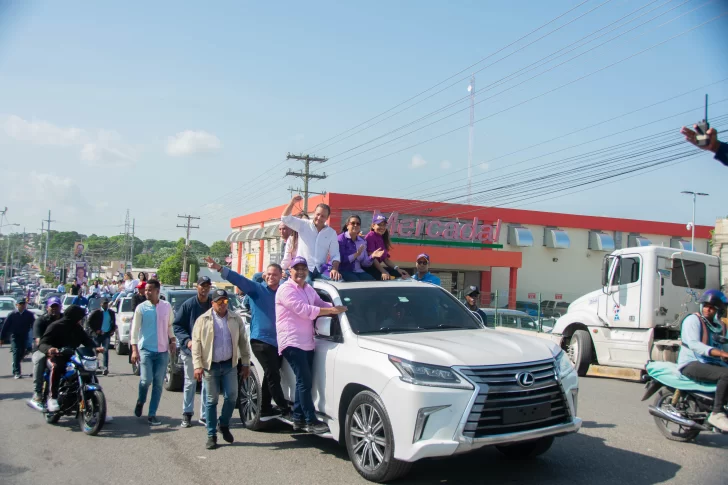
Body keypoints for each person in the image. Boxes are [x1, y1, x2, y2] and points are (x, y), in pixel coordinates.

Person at [206, 256, 290, 421]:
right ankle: (284, 407)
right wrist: (220, 268)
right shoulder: (257, 289)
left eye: (275, 274)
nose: (271, 277)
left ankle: (265, 408)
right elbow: (238, 279)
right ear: (264, 275)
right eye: (269, 274)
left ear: (281, 276)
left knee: (269, 374)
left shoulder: (284, 292)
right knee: (273, 373)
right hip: (261, 340)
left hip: (279, 342)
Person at [275, 256, 347, 434]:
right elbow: (304, 310)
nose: (300, 272)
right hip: (291, 341)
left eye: (303, 268)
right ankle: (310, 420)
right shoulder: (285, 290)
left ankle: (298, 418)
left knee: (303, 382)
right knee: (304, 381)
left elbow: (321, 304)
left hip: (307, 342)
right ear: (289, 271)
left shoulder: (308, 289)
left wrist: (342, 309)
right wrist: (330, 310)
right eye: (296, 268)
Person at [192, 289, 250, 449]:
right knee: (211, 401)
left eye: (225, 301)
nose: (222, 304)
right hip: (210, 366)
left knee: (232, 397)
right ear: (212, 303)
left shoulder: (235, 318)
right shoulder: (203, 320)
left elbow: (243, 342)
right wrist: (197, 365)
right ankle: (211, 435)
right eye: (219, 301)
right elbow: (196, 344)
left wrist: (245, 363)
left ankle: (223, 424)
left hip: (229, 364)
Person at [677, 289, 728, 432]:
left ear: (719, 311)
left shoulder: (721, 327)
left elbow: (726, 346)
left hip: (712, 363)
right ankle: (717, 413)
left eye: (712, 307)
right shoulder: (693, 320)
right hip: (692, 363)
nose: (708, 309)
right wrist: (720, 353)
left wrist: (724, 353)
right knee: (726, 374)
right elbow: (694, 345)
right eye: (706, 305)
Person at [37, 305, 103, 412]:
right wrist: (50, 349)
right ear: (74, 316)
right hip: (56, 357)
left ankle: (98, 409)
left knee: (88, 373)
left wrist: (96, 347)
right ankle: (52, 398)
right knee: (56, 367)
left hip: (72, 357)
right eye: (80, 317)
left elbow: (87, 340)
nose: (81, 320)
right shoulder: (55, 326)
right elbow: (42, 343)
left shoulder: (77, 328)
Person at [130, 279, 175, 426]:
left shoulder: (166, 307)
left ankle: (152, 414)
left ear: (157, 291)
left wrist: (172, 340)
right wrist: (134, 350)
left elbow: (170, 326)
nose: (147, 292)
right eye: (146, 290)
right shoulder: (141, 308)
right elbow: (135, 330)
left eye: (150, 290)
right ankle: (140, 400)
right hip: (146, 351)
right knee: (146, 380)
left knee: (158, 384)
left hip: (162, 351)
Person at [173, 275, 213, 428]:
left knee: (207, 384)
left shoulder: (212, 304)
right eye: (202, 285)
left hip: (208, 352)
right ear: (197, 286)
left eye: (207, 286)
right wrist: (187, 341)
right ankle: (187, 413)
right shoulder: (188, 305)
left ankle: (204, 415)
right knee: (190, 382)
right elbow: (177, 326)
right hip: (190, 351)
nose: (204, 289)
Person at [281, 195, 342, 281]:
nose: (319, 218)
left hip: (321, 270)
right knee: (306, 285)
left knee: (339, 281)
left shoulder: (331, 233)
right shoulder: (304, 224)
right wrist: (292, 202)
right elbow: (285, 219)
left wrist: (334, 269)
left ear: (327, 218)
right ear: (314, 213)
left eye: (323, 216)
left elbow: (335, 254)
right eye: (318, 214)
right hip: (304, 268)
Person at [30, 297, 63, 408]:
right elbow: (38, 341)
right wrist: (48, 349)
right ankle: (37, 392)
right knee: (40, 359)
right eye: (52, 307)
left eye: (56, 306)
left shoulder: (65, 320)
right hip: (42, 349)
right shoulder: (41, 321)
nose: (54, 309)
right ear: (47, 308)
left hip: (59, 349)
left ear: (60, 307)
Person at [337, 215, 383, 282]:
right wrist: (356, 254)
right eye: (353, 223)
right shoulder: (340, 239)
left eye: (358, 224)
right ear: (347, 225)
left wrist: (372, 256)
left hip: (359, 271)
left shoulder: (362, 241)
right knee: (357, 283)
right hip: (344, 270)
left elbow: (365, 263)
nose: (355, 225)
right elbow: (341, 260)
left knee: (373, 283)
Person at [364, 214, 409, 280]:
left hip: (376, 268)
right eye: (379, 224)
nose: (382, 227)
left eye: (384, 225)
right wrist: (383, 271)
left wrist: (398, 269)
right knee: (388, 278)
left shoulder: (382, 238)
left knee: (401, 274)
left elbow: (386, 259)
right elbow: (373, 258)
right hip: (368, 268)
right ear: (373, 226)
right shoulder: (370, 236)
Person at [0, 298, 35, 378]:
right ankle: (17, 372)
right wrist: (1, 338)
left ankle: (15, 363)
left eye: (23, 304)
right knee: (16, 351)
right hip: (14, 336)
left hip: (24, 336)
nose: (22, 306)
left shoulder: (29, 314)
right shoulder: (12, 314)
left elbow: (34, 325)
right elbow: (5, 327)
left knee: (22, 352)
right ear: (17, 305)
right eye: (20, 304)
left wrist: (36, 336)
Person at [87, 298, 116, 376]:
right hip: (97, 335)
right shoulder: (96, 312)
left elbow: (113, 322)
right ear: (101, 304)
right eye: (104, 304)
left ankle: (105, 368)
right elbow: (89, 321)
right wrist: (95, 330)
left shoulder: (111, 313)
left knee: (105, 351)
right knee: (95, 351)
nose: (105, 305)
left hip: (106, 334)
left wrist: (112, 330)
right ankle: (94, 367)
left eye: (106, 304)